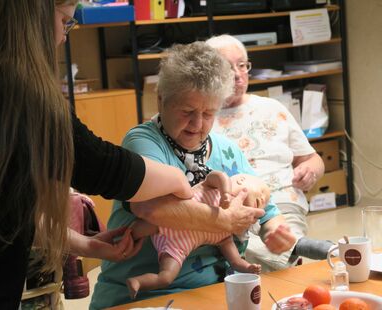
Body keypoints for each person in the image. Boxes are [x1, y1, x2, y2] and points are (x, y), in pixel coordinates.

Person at [0, 1, 195, 309]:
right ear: (37, 13)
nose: (64, 37)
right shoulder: (14, 82)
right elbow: (99, 166)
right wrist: (178, 178)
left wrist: (86, 244)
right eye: (66, 22)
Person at [90, 42, 296, 309]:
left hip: (213, 292)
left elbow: (266, 209)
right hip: (144, 298)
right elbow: (151, 208)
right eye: (187, 112)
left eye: (208, 113)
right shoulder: (143, 142)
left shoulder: (227, 150)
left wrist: (274, 230)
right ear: (161, 99)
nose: (198, 125)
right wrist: (225, 221)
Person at [206, 34, 332, 272]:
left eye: (242, 65)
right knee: (222, 240)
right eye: (226, 67)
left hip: (282, 202)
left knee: (255, 243)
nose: (237, 73)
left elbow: (312, 158)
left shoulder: (272, 108)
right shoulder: (201, 116)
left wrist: (310, 170)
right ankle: (295, 252)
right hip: (228, 207)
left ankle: (286, 251)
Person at [126, 171, 270, 299]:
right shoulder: (216, 188)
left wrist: (248, 268)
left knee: (166, 277)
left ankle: (138, 282)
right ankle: (117, 242)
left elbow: (235, 261)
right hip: (168, 217)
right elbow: (216, 176)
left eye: (264, 204)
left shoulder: (227, 234)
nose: (263, 200)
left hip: (178, 246)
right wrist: (225, 192)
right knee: (131, 234)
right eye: (262, 192)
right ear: (241, 180)